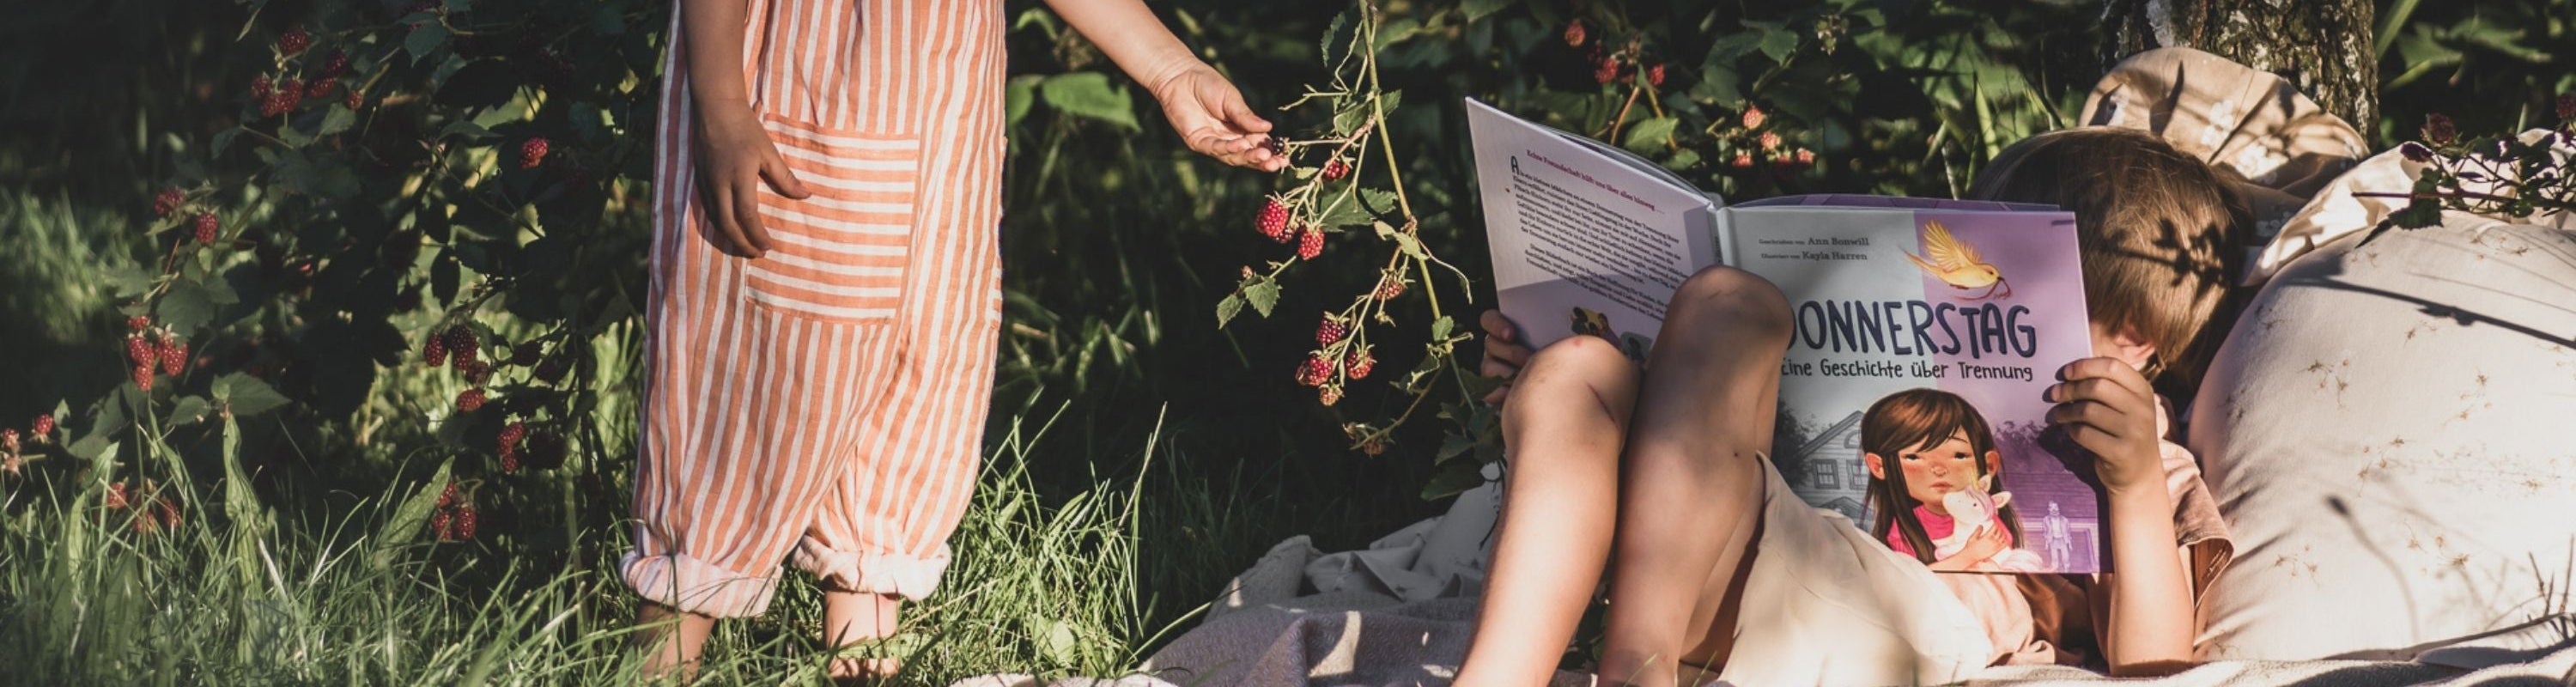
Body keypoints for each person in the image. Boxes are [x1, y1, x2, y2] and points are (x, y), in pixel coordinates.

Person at [623, 0, 1285, 680]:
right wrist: (722, 105)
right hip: (803, 86)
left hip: (940, 117)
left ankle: (862, 656)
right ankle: (661, 665)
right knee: (756, 372)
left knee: (922, 365)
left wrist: (1172, 71)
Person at [1453, 126, 2237, 686]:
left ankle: (1638, 673)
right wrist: (1539, 376)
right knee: (1576, 369)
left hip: (1879, 611)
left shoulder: (2143, 462)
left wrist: (2131, 487)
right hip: (1696, 550)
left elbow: (2155, 666)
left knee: (1733, 303)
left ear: (2134, 339)